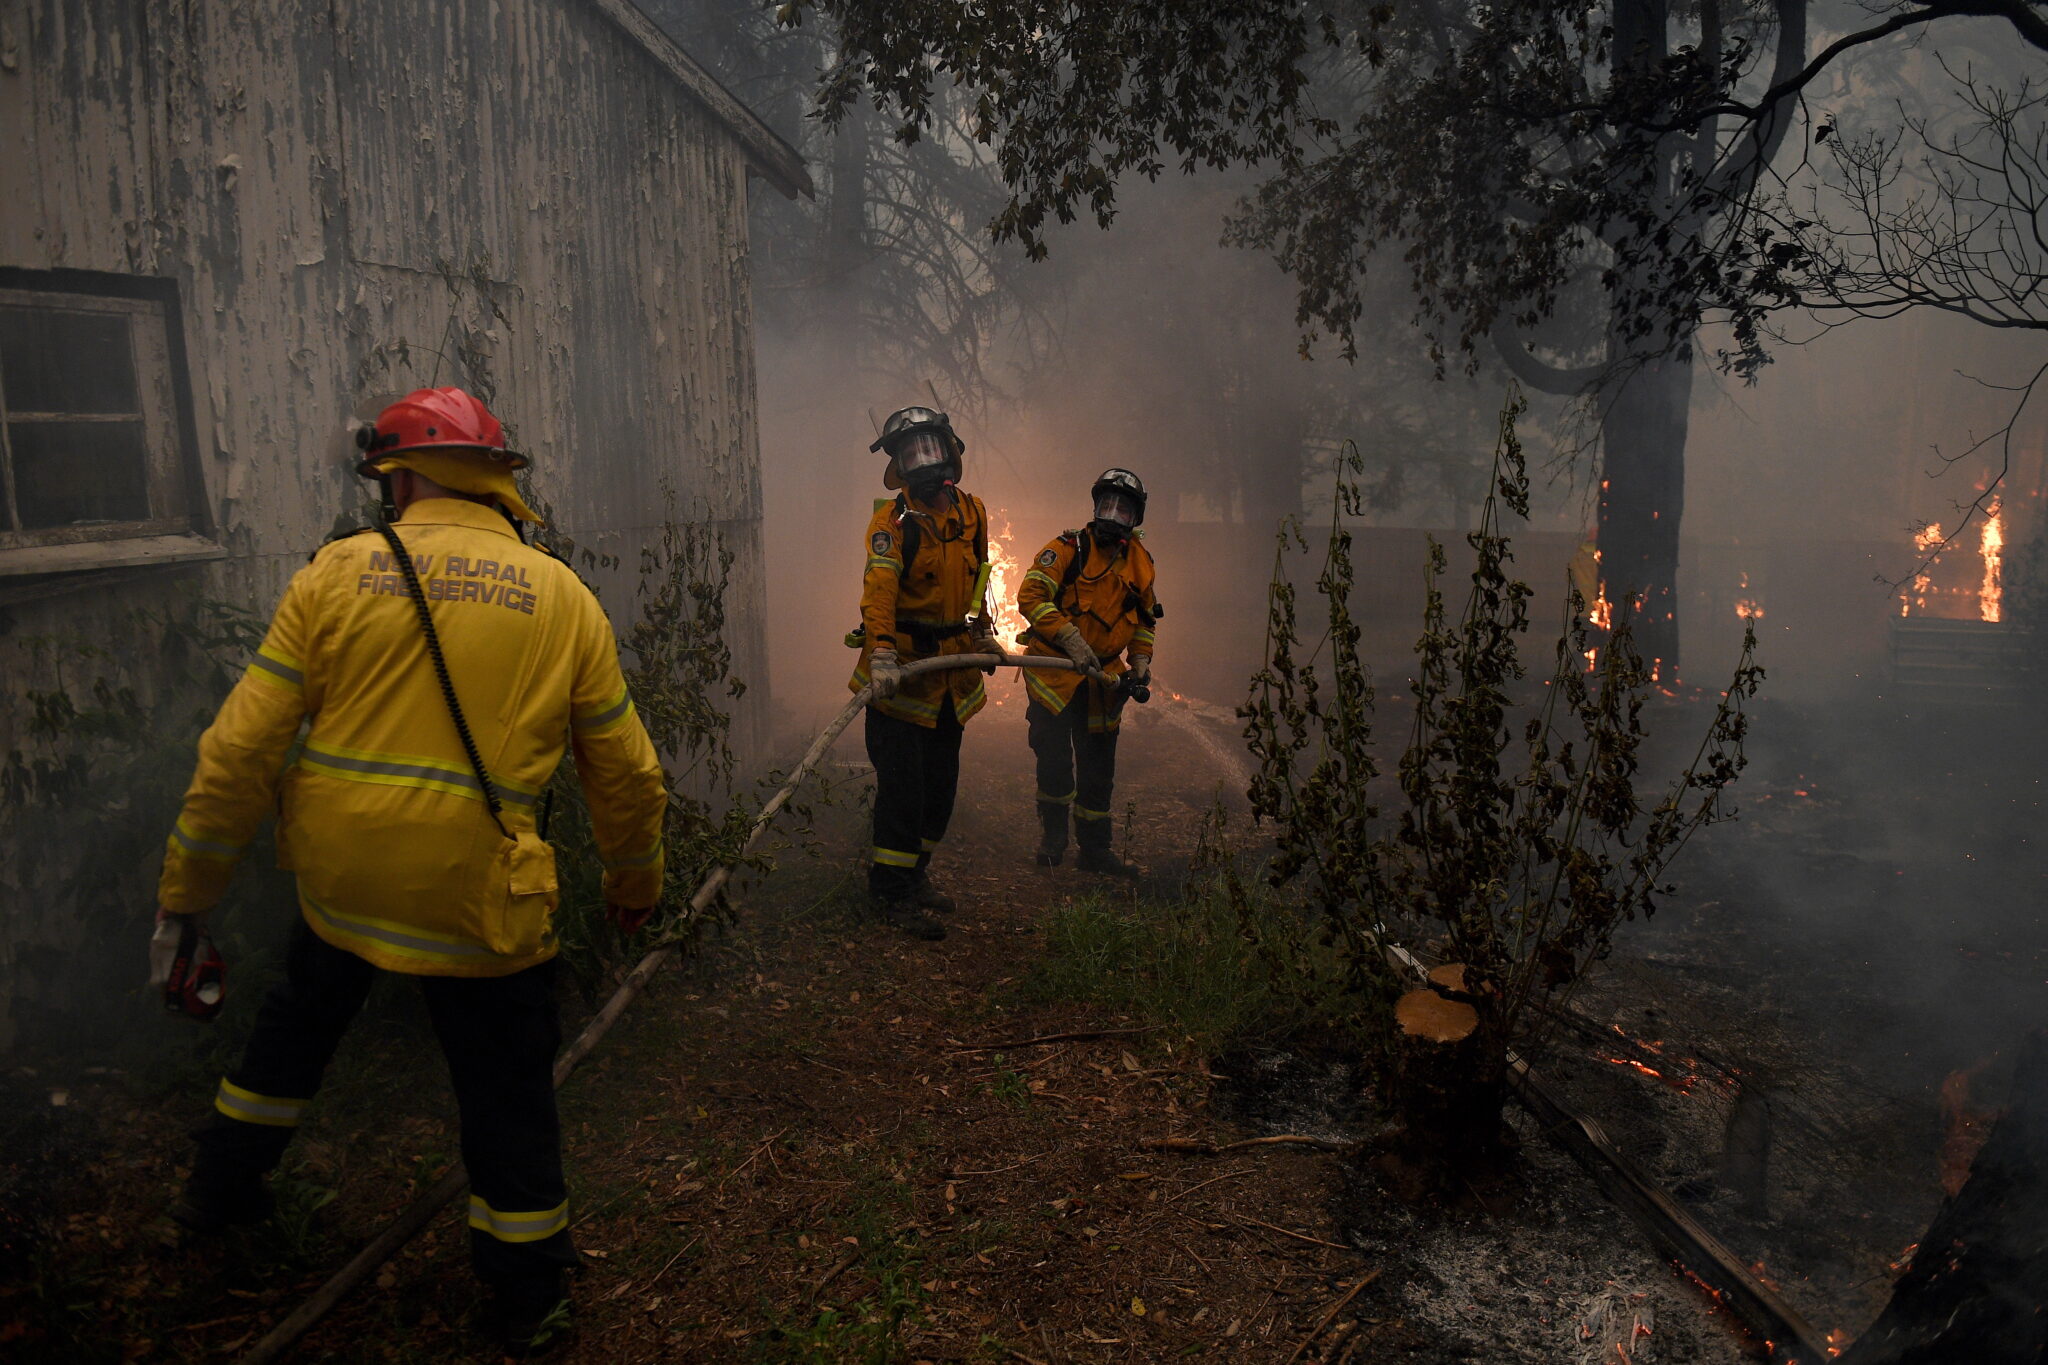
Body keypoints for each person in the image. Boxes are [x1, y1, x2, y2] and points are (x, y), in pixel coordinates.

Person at [151, 387, 667, 1355]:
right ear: (493, 480)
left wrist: (186, 900)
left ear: (402, 476)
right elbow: (628, 776)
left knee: (291, 1040)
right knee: (507, 1095)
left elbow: (238, 752)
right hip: (477, 906)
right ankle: (524, 1296)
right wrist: (634, 887)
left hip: (341, 890)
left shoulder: (336, 574)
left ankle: (216, 1193)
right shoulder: (560, 598)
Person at [850, 405, 1000, 940]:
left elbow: (980, 574)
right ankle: (890, 894)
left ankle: (916, 878)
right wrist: (883, 656)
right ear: (900, 465)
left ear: (950, 450)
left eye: (930, 448)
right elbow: (880, 593)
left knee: (940, 790)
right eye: (913, 454)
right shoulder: (891, 525)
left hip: (950, 682)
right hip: (903, 679)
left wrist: (982, 630)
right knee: (903, 793)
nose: (925, 462)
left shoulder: (974, 512)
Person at [1016, 468, 1159, 875]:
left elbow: (1146, 619)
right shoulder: (1067, 548)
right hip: (1055, 675)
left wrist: (1142, 660)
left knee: (1098, 769)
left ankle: (1095, 852)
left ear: (1135, 519)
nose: (1112, 514)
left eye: (1123, 509)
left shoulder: (1141, 564)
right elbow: (1031, 594)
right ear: (1095, 506)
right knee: (1055, 761)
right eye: (1106, 504)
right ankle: (1054, 838)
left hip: (1106, 682)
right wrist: (1069, 638)